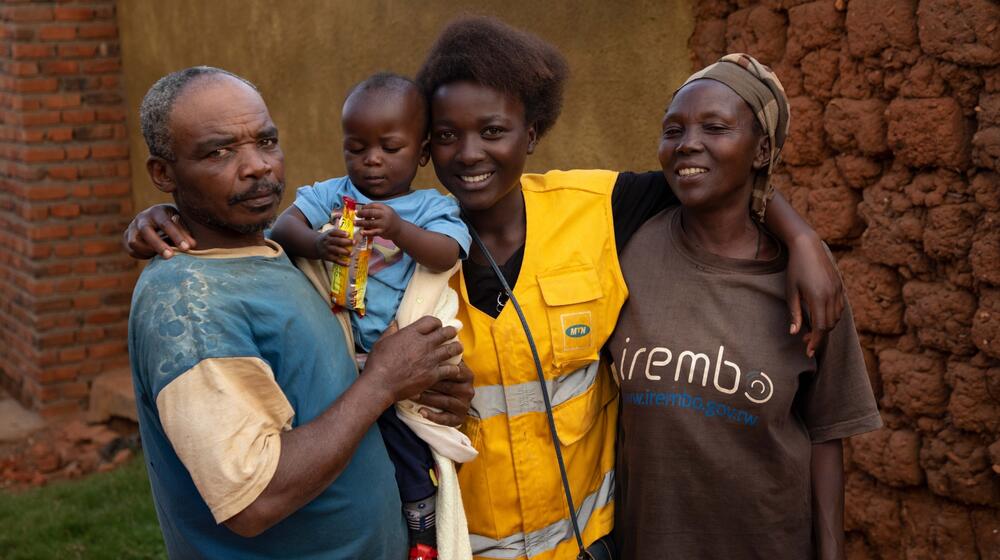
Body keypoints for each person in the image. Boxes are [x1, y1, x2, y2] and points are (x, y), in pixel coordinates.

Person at [125, 17, 846, 560]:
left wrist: (800, 234)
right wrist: (161, 220)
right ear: (420, 142)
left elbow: (709, 179)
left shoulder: (599, 207)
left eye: (494, 130)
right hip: (459, 541)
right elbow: (263, 232)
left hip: (586, 541)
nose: (469, 155)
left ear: (532, 133)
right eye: (444, 135)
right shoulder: (374, 238)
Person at [127, 66, 469, 559]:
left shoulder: (269, 257)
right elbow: (255, 500)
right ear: (163, 173)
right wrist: (382, 383)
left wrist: (427, 388)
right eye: (219, 151)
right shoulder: (189, 302)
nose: (257, 167)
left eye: (266, 142)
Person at [606, 54, 882, 559]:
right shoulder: (627, 245)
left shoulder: (806, 284)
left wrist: (832, 552)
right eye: (673, 130)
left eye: (715, 127)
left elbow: (825, 433)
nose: (688, 143)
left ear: (760, 151)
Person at [268, 72, 472, 555]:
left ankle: (421, 519)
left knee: (402, 438)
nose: (372, 160)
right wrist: (317, 241)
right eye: (356, 148)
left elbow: (447, 254)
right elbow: (282, 227)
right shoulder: (335, 194)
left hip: (400, 347)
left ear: (421, 154)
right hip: (344, 345)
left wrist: (400, 229)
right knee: (350, 441)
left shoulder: (428, 207)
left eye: (390, 148)